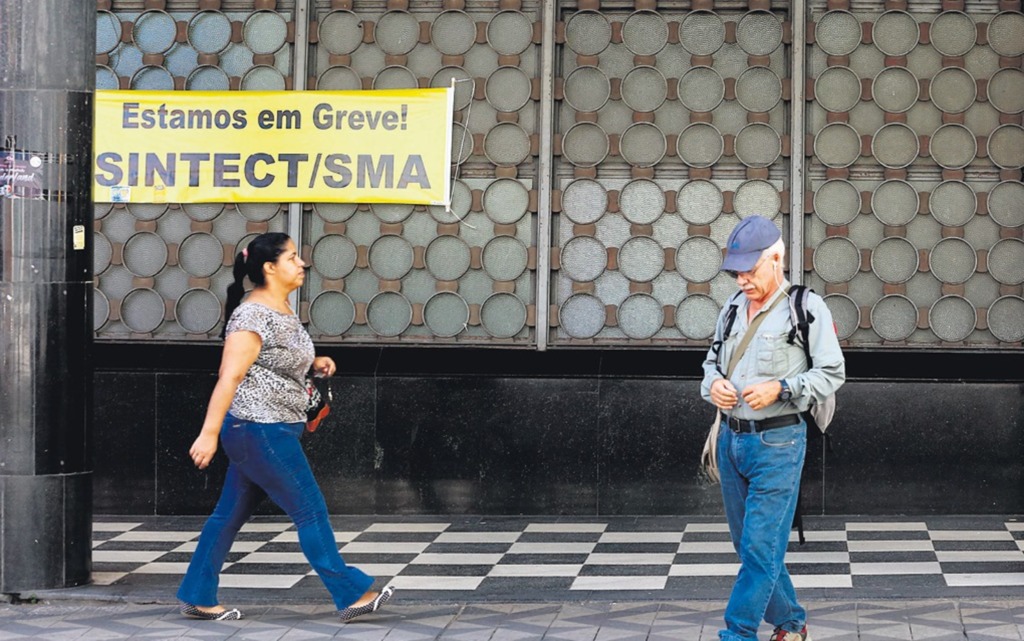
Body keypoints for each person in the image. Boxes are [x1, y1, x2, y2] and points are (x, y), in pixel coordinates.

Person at [176, 232, 394, 622]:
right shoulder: (252, 316)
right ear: (269, 267)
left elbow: (272, 361)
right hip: (259, 430)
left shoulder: (280, 308)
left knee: (227, 517)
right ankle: (351, 592)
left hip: (268, 430)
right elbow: (230, 376)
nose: (302, 263)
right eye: (292, 257)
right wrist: (208, 434)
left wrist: (315, 363)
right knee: (310, 511)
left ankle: (197, 594)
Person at [700, 216, 845, 641]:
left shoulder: (807, 308)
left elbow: (832, 373)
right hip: (730, 440)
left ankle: (738, 634)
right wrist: (714, 385)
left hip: (778, 443)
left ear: (776, 259)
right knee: (751, 549)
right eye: (736, 272)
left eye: (749, 270)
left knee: (760, 549)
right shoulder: (731, 307)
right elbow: (710, 363)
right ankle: (792, 624)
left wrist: (782, 388)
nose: (742, 279)